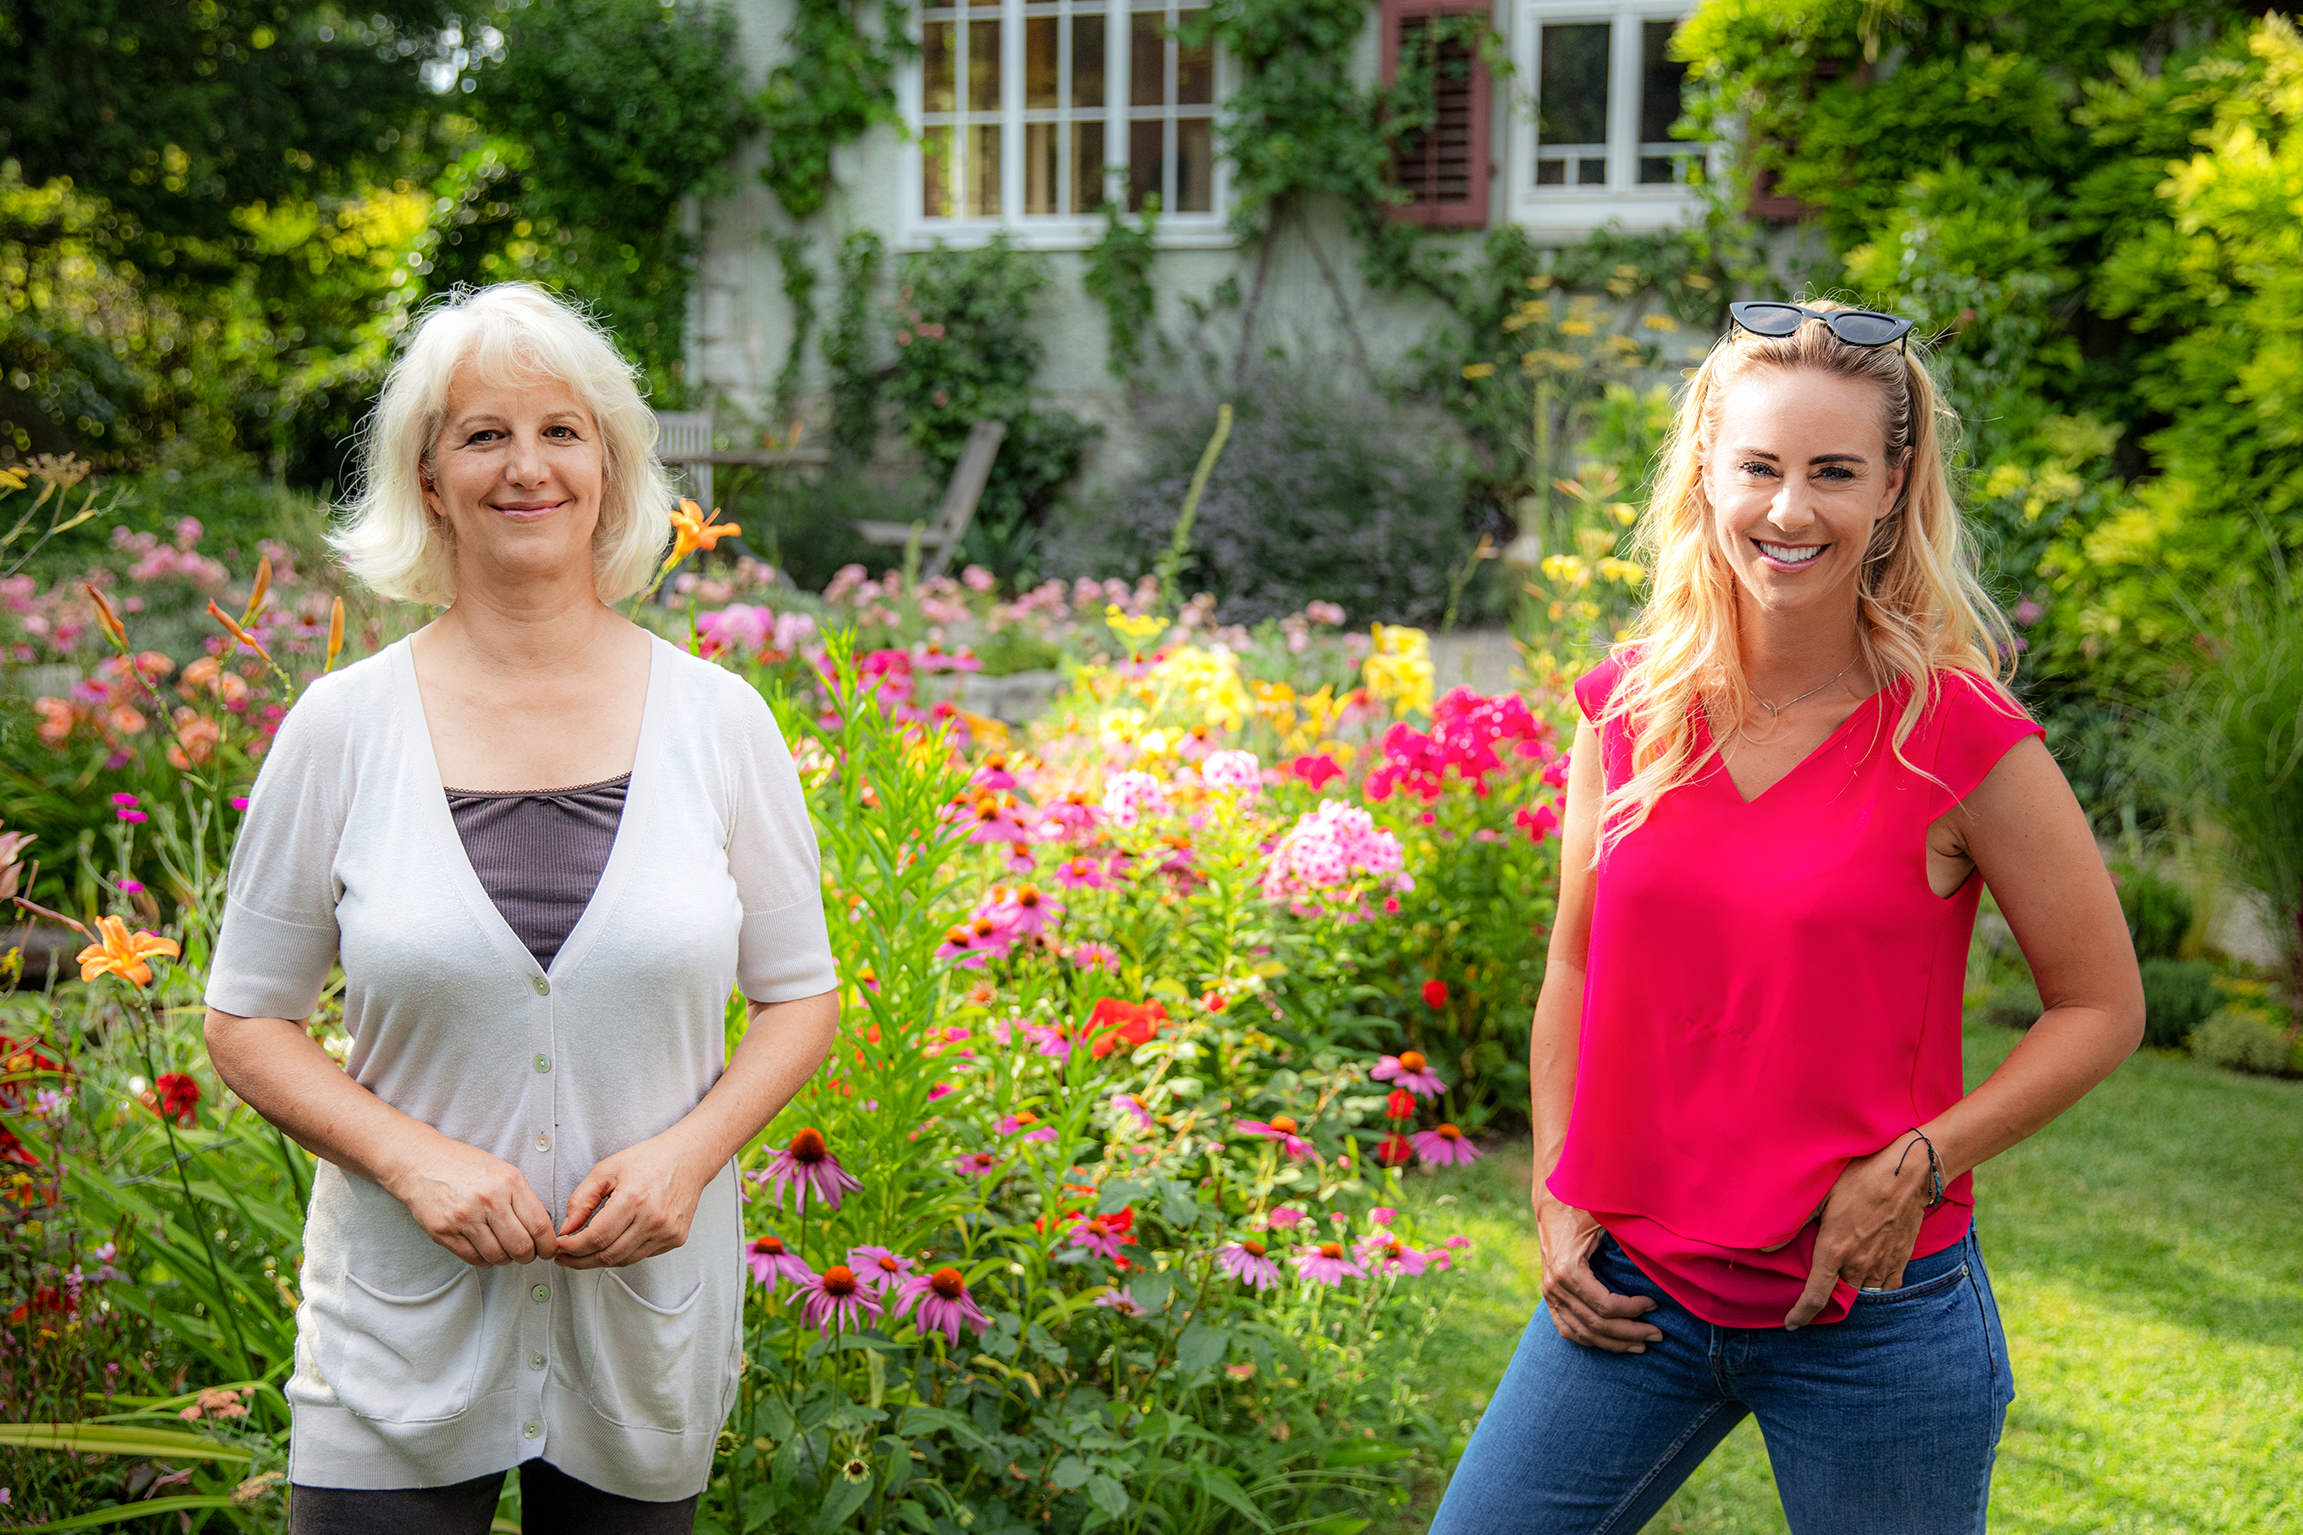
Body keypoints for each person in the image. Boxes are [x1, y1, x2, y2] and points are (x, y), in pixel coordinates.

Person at [1430, 300, 2144, 1534]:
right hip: (1631, 1297)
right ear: (1706, 466)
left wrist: (1918, 1166)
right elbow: (1574, 964)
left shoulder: (1962, 738)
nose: (1787, 508)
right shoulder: (1625, 710)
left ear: (1891, 486)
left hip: (1874, 1317)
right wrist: (1555, 1189)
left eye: (1832, 472)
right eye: (1758, 465)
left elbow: (2100, 1006)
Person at [202, 282, 840, 1534]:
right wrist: (409, 1156)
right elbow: (246, 1020)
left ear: (610, 465)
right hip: (396, 1327)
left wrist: (689, 1153)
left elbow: (797, 994)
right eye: (483, 434)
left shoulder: (720, 723)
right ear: (429, 478)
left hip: (641, 1320)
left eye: (561, 430)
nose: (526, 467)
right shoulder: (342, 727)